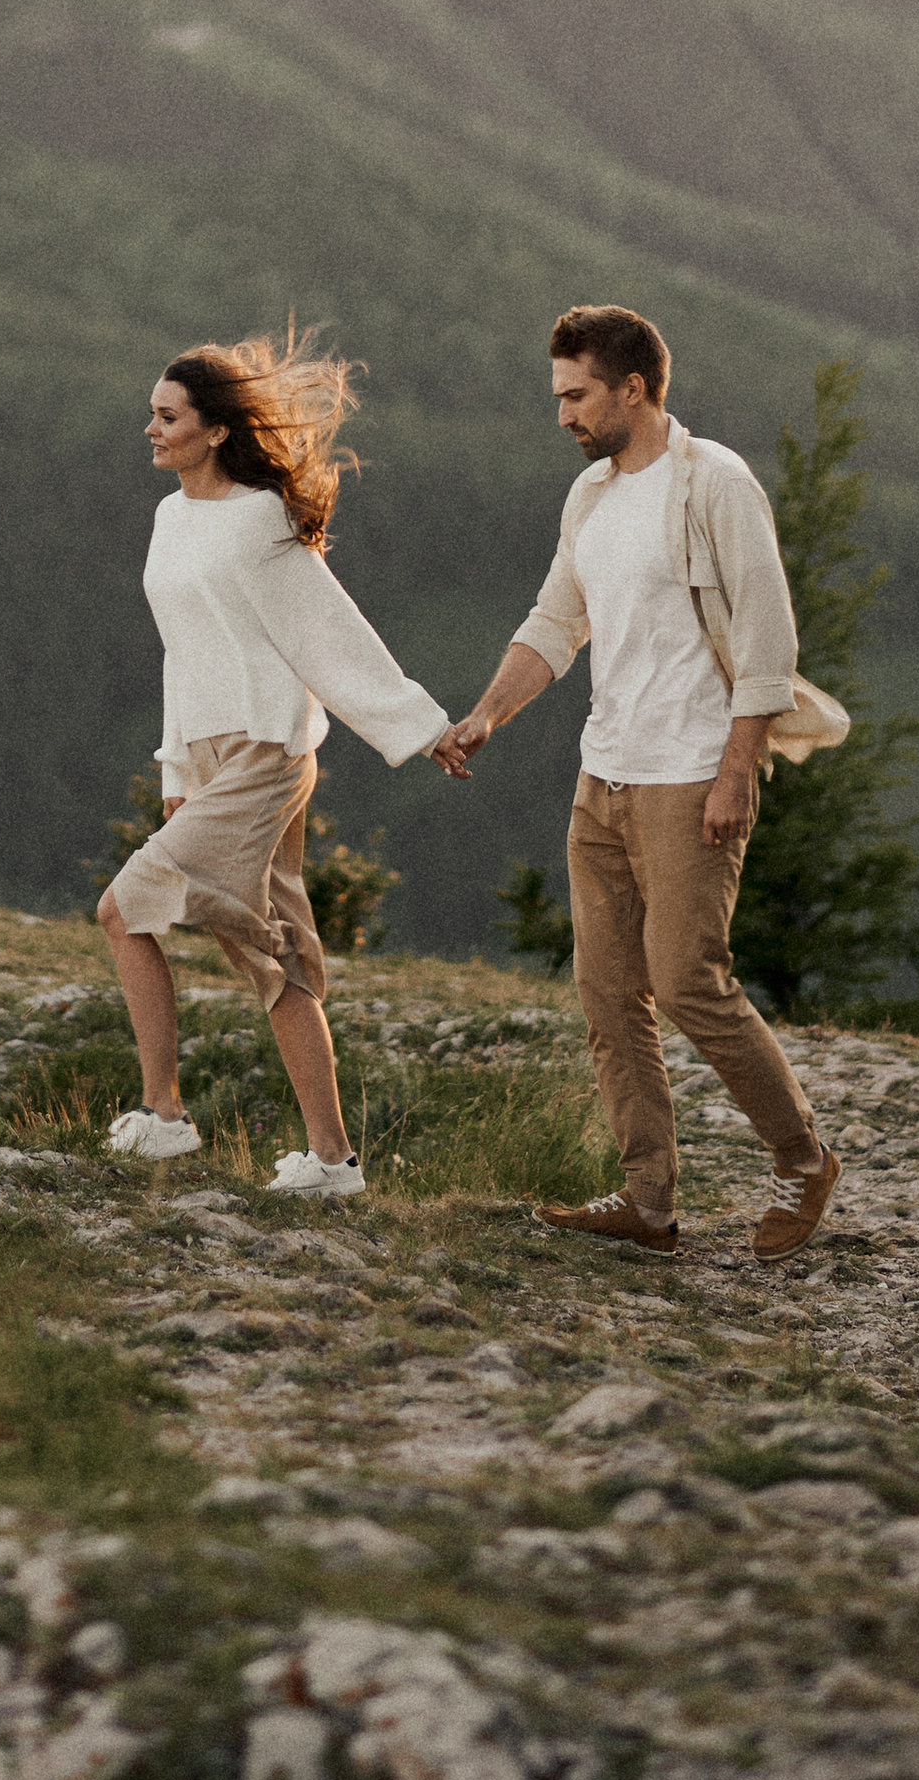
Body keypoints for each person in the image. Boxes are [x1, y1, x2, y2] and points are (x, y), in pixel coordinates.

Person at [439, 304, 849, 1261]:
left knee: (689, 984)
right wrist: (488, 712)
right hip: (605, 776)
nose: (563, 415)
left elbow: (767, 638)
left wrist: (737, 768)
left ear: (634, 387)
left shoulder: (715, 485)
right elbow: (554, 622)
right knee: (609, 993)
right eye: (557, 396)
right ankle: (649, 1201)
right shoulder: (589, 499)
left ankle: (803, 1157)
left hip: (689, 774)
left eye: (577, 395)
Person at [99, 331, 452, 1197]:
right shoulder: (169, 517)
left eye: (168, 415)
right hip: (215, 755)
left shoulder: (259, 518)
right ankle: (333, 1164)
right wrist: (178, 776)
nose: (150, 428)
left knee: (122, 907)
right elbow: (180, 654)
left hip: (266, 749)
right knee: (275, 958)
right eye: (152, 413)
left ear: (216, 430)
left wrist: (421, 726)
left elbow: (328, 631)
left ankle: (165, 1118)